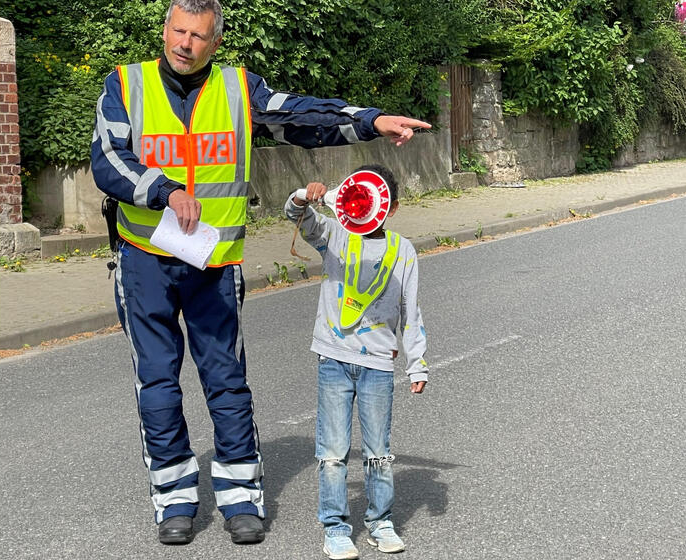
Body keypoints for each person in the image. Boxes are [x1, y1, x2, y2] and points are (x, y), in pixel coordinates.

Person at [90, 0, 431, 547]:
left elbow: (301, 116)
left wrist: (371, 121)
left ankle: (239, 495)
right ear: (165, 29)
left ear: (214, 41)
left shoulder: (238, 89)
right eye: (178, 31)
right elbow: (107, 159)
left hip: (215, 265)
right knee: (157, 381)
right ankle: (173, 496)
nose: (185, 43)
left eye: (198, 36)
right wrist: (166, 190)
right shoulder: (124, 85)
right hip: (144, 258)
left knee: (226, 380)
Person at [283, 164, 429, 559]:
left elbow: (410, 311)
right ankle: (335, 527)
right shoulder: (335, 233)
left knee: (377, 451)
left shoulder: (403, 251)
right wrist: (304, 195)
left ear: (391, 208)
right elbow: (297, 216)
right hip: (333, 358)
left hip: (379, 363)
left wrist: (417, 362)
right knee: (332, 451)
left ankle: (380, 522)